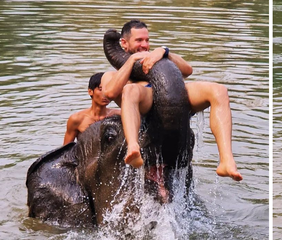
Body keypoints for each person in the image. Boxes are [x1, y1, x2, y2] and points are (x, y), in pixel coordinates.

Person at [102, 20, 242, 181]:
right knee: (130, 89)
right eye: (139, 40)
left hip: (173, 96)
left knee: (219, 90)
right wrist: (132, 60)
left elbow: (187, 70)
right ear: (124, 43)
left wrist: (164, 51)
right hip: (147, 105)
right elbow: (111, 92)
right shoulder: (111, 76)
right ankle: (134, 148)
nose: (145, 45)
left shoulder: (154, 58)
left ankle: (226, 160)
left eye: (147, 40)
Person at [63, 72, 120, 145]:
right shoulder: (77, 119)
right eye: (100, 89)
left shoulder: (119, 116)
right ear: (90, 92)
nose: (105, 94)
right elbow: (65, 150)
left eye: (108, 89)